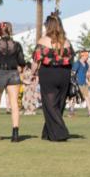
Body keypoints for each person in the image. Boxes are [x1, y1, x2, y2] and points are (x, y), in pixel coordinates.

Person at [32, 13, 74, 141]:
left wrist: (33, 73)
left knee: (50, 105)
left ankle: (61, 132)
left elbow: (36, 60)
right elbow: (72, 60)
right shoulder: (67, 42)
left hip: (48, 73)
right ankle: (48, 133)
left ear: (48, 26)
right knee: (59, 104)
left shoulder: (43, 41)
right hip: (64, 74)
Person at [0, 21, 26, 142]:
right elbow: (22, 62)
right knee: (14, 104)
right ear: (10, 31)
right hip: (13, 74)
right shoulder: (17, 45)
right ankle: (15, 134)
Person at [71, 50, 90, 118]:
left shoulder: (86, 64)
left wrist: (89, 64)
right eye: (86, 56)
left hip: (84, 83)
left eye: (88, 56)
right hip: (78, 83)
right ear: (82, 55)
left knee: (81, 97)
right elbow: (73, 73)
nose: (87, 57)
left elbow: (88, 73)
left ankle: (71, 111)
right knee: (83, 97)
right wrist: (74, 82)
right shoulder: (77, 63)